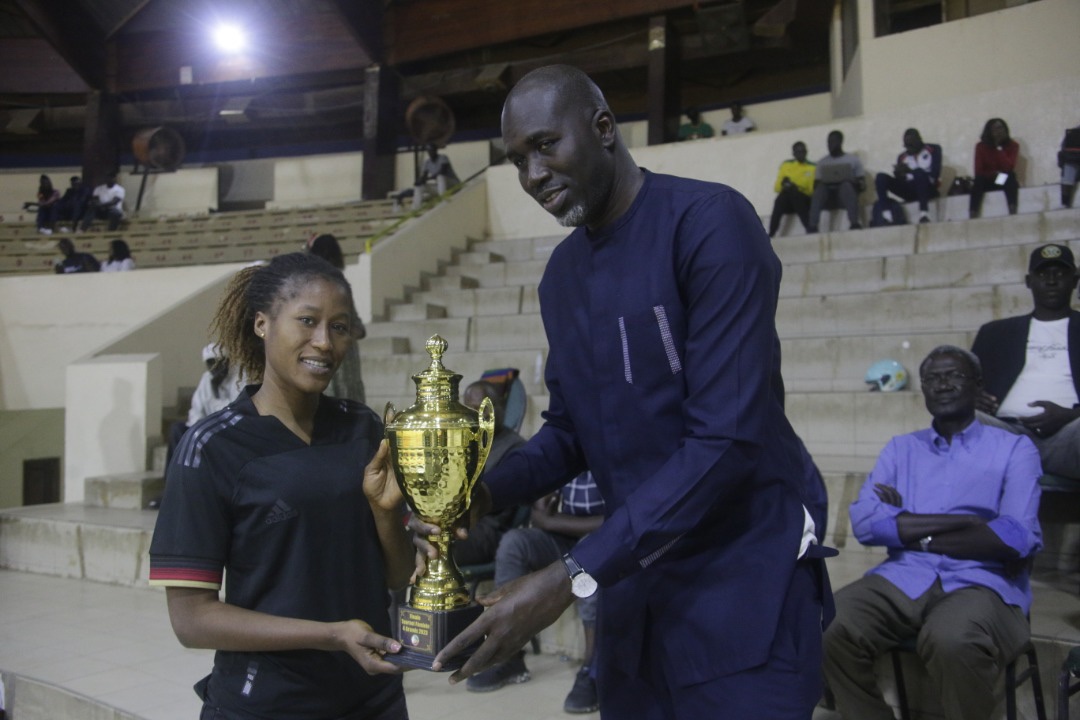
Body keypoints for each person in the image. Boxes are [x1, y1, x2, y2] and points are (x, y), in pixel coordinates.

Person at [427, 64, 834, 720]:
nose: (532, 176)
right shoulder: (562, 276)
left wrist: (570, 574)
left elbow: (726, 441)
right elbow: (570, 431)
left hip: (741, 588)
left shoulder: (709, 223)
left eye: (545, 146)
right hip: (634, 594)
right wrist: (480, 492)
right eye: (516, 160)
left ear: (604, 129)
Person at [148, 252, 414, 720]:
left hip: (373, 697)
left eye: (340, 327)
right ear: (261, 324)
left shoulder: (363, 428)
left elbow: (395, 577)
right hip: (267, 703)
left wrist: (387, 513)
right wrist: (330, 634)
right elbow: (191, 620)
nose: (324, 342)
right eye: (307, 321)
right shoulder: (212, 447)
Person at [822, 345, 1042, 720]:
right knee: (828, 623)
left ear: (977, 385)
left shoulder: (1015, 449)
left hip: (982, 581)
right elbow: (866, 523)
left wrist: (909, 524)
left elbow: (1014, 536)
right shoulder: (901, 449)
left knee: (951, 638)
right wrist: (971, 522)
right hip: (903, 577)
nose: (941, 385)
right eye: (932, 378)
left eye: (953, 375)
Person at [466, 471, 605, 714]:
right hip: (564, 538)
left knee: (588, 559)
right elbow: (538, 514)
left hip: (604, 542)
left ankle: (592, 670)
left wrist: (551, 521)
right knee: (514, 543)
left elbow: (614, 522)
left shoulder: (615, 455)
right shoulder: (572, 452)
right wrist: (547, 517)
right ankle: (510, 658)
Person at [970, 243, 1080, 479]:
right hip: (1007, 434)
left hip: (1070, 436)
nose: (1051, 280)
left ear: (1075, 280)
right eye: (1043, 274)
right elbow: (968, 385)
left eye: (1060, 274)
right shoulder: (995, 333)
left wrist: (1071, 416)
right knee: (960, 418)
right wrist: (973, 399)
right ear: (1029, 281)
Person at [451, 380, 526, 567]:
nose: (477, 414)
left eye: (483, 407)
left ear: (499, 408)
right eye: (470, 408)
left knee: (429, 544)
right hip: (457, 523)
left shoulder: (515, 448)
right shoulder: (465, 442)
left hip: (487, 531)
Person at [307, 233, 367, 403]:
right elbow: (359, 329)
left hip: (328, 354)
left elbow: (358, 328)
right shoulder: (339, 287)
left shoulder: (307, 287)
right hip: (340, 355)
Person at [873, 128, 942, 224]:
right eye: (906, 146)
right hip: (910, 190)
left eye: (911, 145)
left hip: (928, 188)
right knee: (881, 177)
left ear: (919, 140)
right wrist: (899, 174)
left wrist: (910, 171)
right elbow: (902, 181)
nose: (909, 148)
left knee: (919, 173)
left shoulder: (934, 149)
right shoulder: (902, 157)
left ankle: (924, 214)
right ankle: (887, 216)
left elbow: (935, 174)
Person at [807, 130, 866, 233]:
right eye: (828, 142)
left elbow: (863, 185)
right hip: (827, 198)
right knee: (820, 188)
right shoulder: (822, 162)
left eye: (832, 142)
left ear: (840, 142)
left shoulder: (853, 160)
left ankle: (854, 223)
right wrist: (826, 181)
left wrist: (852, 181)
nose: (829, 145)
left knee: (846, 185)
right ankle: (812, 227)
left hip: (845, 197)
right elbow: (815, 186)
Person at [969, 117, 1020, 218]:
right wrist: (993, 173)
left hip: (1001, 180)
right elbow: (978, 170)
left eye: (1001, 128)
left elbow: (1009, 167)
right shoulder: (981, 146)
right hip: (987, 180)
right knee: (978, 181)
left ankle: (1012, 211)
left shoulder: (1013, 146)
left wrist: (999, 148)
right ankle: (973, 214)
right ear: (989, 131)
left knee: (1010, 176)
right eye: (995, 129)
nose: (999, 132)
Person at [768, 140, 815, 237]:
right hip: (788, 200)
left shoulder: (812, 167)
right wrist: (784, 184)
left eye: (803, 151)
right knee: (781, 198)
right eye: (798, 152)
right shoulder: (786, 165)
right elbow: (776, 188)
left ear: (806, 152)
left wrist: (797, 187)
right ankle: (771, 232)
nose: (801, 154)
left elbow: (811, 191)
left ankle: (808, 226)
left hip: (804, 200)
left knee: (794, 193)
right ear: (793, 153)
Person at [1059, 124, 1080, 209]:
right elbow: (1064, 150)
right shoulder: (1074, 133)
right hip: (1073, 160)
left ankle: (1065, 201)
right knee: (1069, 166)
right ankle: (1065, 202)